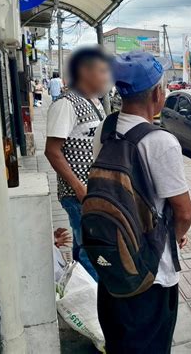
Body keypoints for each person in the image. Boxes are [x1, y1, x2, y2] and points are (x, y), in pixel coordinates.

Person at [92, 51, 191, 353]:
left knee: (119, 343)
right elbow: (184, 211)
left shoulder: (106, 128)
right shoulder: (160, 142)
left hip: (112, 262)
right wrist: (174, 235)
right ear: (158, 94)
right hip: (152, 277)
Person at [44, 46, 110, 280]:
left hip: (93, 190)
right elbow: (52, 151)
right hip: (78, 194)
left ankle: (81, 290)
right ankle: (94, 301)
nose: (106, 77)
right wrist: (79, 188)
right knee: (91, 250)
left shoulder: (94, 100)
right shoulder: (66, 104)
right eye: (102, 71)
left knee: (85, 245)